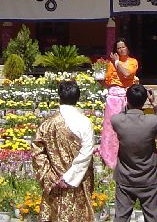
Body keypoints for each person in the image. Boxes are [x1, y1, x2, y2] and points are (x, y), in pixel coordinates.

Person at [31, 80, 95, 222]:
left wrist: (49, 176)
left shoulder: (48, 124)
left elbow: (37, 152)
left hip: (54, 182)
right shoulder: (85, 122)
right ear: (78, 98)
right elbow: (86, 153)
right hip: (78, 182)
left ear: (59, 96)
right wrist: (70, 177)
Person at [111, 84, 157, 222]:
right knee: (152, 217)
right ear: (145, 100)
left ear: (127, 99)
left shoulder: (117, 120)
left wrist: (127, 101)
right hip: (148, 177)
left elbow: (121, 114)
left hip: (125, 177)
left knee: (121, 217)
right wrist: (154, 104)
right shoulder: (153, 121)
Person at [99, 38, 139, 169]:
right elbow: (107, 82)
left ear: (128, 48)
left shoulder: (132, 61)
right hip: (113, 98)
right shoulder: (110, 64)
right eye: (118, 48)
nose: (121, 50)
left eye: (123, 47)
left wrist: (116, 62)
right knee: (111, 127)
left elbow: (127, 74)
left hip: (127, 96)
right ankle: (109, 158)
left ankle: (127, 158)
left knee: (127, 127)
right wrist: (100, 79)